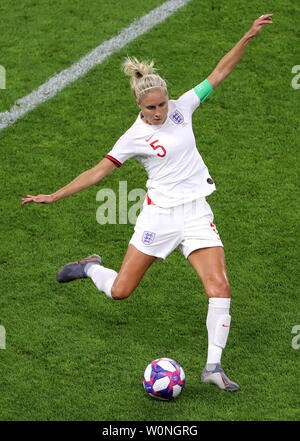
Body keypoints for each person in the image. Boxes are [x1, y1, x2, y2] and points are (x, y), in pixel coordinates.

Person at [22, 14, 273, 392]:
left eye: (161, 104)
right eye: (150, 108)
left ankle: (213, 366)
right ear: (139, 106)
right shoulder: (133, 137)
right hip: (159, 217)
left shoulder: (181, 107)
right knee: (122, 290)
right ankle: (90, 268)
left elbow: (219, 73)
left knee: (219, 286)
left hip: (196, 212)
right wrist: (54, 195)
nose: (158, 112)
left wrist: (247, 36)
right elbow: (97, 172)